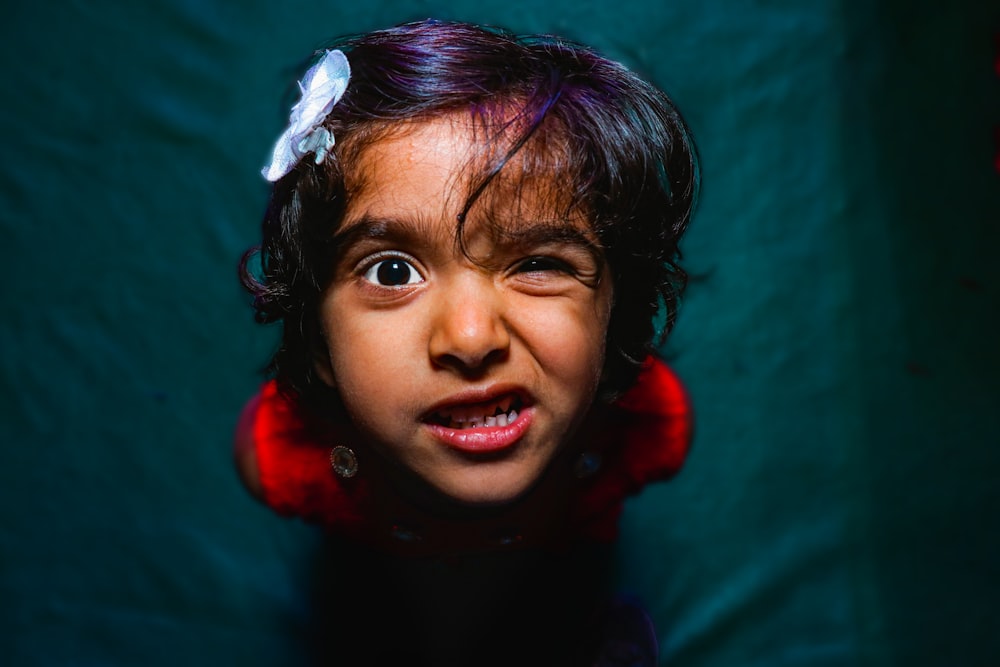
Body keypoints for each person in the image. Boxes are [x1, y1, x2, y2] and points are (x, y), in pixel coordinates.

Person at [234, 19, 699, 666]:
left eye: (538, 263)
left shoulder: (643, 424)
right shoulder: (291, 454)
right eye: (392, 270)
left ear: (612, 310)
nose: (472, 337)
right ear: (319, 345)